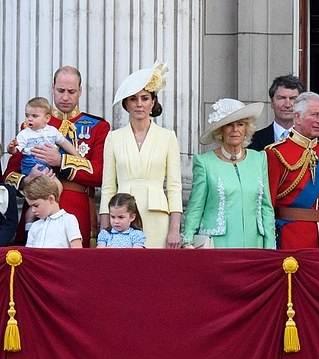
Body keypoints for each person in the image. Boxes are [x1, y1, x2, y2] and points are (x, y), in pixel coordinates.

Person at [3, 66, 110, 247]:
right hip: (37, 209)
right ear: (52, 88)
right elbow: (9, 176)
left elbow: (100, 174)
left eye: (71, 91)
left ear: (80, 91)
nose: (65, 97)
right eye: (61, 91)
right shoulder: (32, 124)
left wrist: (61, 161)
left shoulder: (97, 127)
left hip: (77, 208)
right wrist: (27, 179)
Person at [100, 62, 183, 248]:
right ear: (126, 104)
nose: (139, 104)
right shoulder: (113, 138)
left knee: (156, 265)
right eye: (133, 99)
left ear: (152, 102)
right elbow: (108, 187)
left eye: (144, 98)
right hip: (121, 217)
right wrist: (104, 229)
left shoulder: (167, 137)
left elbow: (174, 186)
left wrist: (174, 229)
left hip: (157, 216)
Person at [182, 98, 275, 249]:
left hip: (254, 243)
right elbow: (196, 207)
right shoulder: (204, 162)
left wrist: (270, 246)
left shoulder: (259, 159)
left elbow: (266, 207)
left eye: (240, 124)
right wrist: (187, 240)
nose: (235, 129)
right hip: (218, 245)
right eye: (229, 125)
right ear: (220, 130)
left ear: (247, 129)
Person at [266, 92, 319, 249]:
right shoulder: (275, 153)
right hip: (289, 240)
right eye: (314, 115)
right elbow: (267, 204)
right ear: (297, 117)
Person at [17, 97, 79, 175]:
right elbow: (17, 151)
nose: (29, 119)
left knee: (54, 181)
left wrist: (78, 156)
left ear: (47, 118)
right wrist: (11, 149)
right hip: (30, 164)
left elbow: (64, 143)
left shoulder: (52, 131)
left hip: (47, 166)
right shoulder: (24, 133)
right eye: (27, 115)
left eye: (34, 116)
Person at [249, 74, 305, 151]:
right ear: (272, 102)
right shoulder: (253, 140)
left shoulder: (312, 139)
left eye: (292, 98)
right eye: (281, 98)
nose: (287, 105)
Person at [23, 175, 82, 248]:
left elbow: (77, 250)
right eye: (31, 206)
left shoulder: (68, 220)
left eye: (36, 205)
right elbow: (29, 252)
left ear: (51, 199)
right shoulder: (35, 226)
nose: (33, 210)